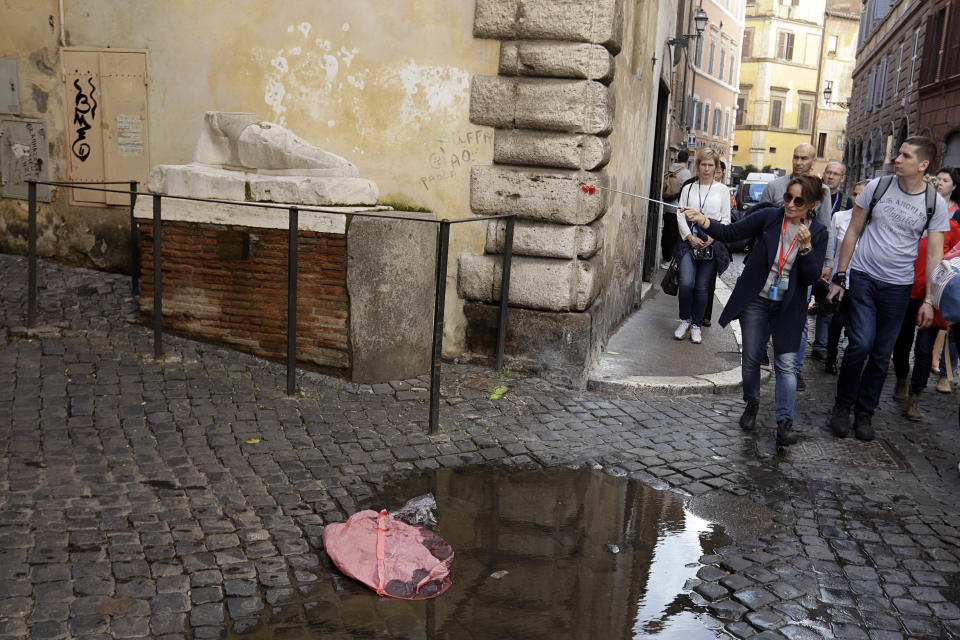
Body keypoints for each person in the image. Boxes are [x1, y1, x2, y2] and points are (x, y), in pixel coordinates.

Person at [684, 175, 828, 446]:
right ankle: (752, 403)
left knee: (787, 365)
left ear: (811, 205)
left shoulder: (818, 232)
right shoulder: (770, 217)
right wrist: (703, 221)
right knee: (751, 359)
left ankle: (785, 423)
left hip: (788, 307)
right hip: (757, 301)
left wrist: (807, 249)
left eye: (799, 201)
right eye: (788, 197)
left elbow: (810, 278)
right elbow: (731, 233)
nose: (791, 204)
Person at [826, 136, 950, 441]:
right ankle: (843, 407)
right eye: (898, 153)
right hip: (865, 277)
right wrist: (841, 275)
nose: (897, 158)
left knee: (882, 355)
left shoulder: (934, 203)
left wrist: (929, 299)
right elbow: (853, 231)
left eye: (905, 156)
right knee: (860, 345)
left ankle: (865, 413)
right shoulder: (877, 187)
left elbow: (935, 254)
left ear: (923, 165)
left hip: (899, 287)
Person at [760, 143, 836, 391]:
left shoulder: (820, 191)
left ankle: (794, 367)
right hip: (772, 266)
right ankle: (760, 351)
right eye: (795, 157)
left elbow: (825, 228)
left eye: (804, 158)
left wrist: (826, 262)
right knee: (764, 310)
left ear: (813, 161)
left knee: (799, 319)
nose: (798, 162)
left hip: (801, 266)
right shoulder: (775, 186)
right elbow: (760, 220)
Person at [891, 211, 960, 420]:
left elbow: (955, 260)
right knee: (901, 343)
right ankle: (902, 376)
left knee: (923, 350)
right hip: (907, 290)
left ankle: (915, 397)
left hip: (933, 296)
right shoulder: (909, 221)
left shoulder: (951, 227)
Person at [674, 149, 731, 344]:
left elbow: (725, 218)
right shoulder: (689, 188)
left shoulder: (722, 190)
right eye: (703, 164)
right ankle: (684, 320)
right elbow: (680, 213)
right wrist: (689, 237)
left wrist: (713, 238)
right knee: (686, 283)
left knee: (702, 288)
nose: (707, 169)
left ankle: (696, 325)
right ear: (697, 166)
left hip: (710, 244)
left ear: (716, 167)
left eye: (711, 165)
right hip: (690, 243)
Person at [824, 180, 869, 374]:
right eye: (855, 194)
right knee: (836, 321)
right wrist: (831, 270)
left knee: (856, 325)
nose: (858, 198)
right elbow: (832, 246)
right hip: (841, 278)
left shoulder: (873, 221)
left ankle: (853, 363)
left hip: (863, 280)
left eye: (862, 194)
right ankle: (831, 356)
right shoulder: (840, 217)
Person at [811, 161, 849, 361]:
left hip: (833, 259)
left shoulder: (846, 202)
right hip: (813, 254)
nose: (831, 176)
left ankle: (821, 345)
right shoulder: (815, 194)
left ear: (842, 178)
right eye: (828, 172)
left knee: (827, 304)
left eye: (836, 174)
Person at [661, 150, 692, 266]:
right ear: (687, 159)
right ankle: (669, 259)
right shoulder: (686, 173)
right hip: (677, 208)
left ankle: (665, 258)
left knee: (666, 232)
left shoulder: (670, 168)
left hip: (666, 206)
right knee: (674, 234)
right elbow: (686, 191)